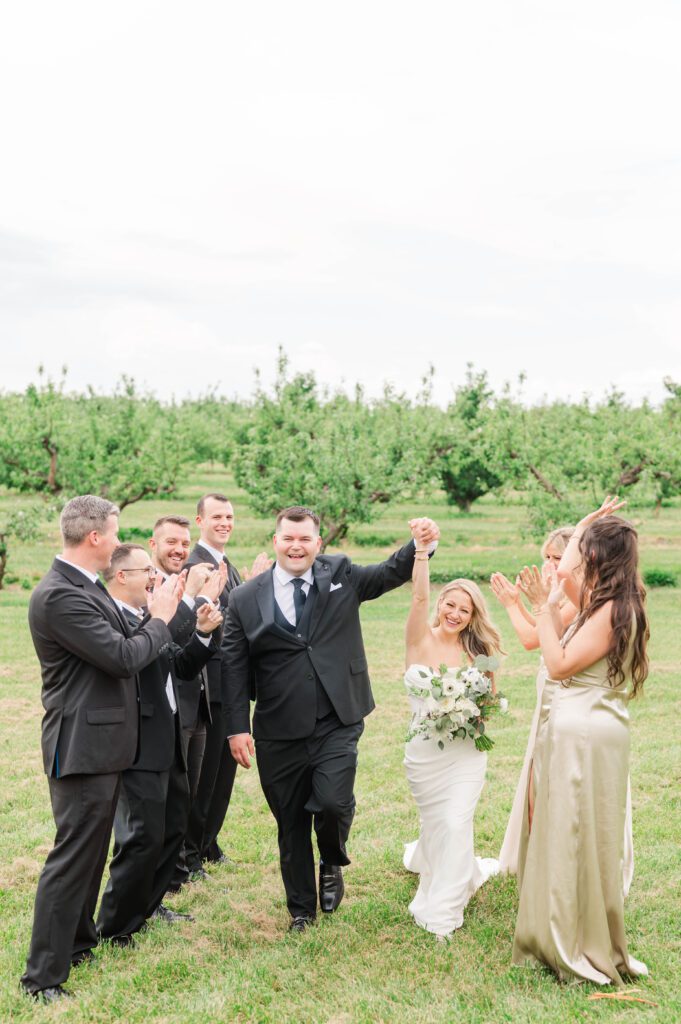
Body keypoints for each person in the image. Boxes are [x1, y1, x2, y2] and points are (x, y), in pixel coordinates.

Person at [224, 506, 440, 932]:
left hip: (337, 718)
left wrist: (420, 546)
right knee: (290, 823)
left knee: (332, 802)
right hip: (278, 727)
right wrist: (236, 726)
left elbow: (386, 574)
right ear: (275, 541)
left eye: (305, 539)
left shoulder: (339, 573)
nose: (296, 546)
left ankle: (332, 859)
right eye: (288, 538)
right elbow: (232, 664)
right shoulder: (245, 598)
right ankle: (301, 910)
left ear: (318, 544)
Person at [20, 496, 183, 1002]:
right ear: (95, 538)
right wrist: (160, 617)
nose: (117, 542)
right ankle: (42, 978)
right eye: (114, 534)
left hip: (106, 744)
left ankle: (78, 943)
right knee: (72, 858)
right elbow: (121, 657)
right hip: (83, 746)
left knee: (91, 856)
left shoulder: (85, 587)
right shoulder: (59, 596)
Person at [512, 497, 649, 985]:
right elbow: (565, 570)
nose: (574, 557)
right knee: (581, 833)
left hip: (583, 727)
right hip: (596, 724)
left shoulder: (609, 608)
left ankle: (573, 941)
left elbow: (559, 665)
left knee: (576, 834)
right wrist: (588, 524)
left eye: (585, 548)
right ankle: (566, 929)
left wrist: (544, 616)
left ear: (600, 558)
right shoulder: (616, 597)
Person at [491, 528, 634, 888]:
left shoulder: (583, 601)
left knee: (560, 788)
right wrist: (524, 603)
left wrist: (517, 605)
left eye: (559, 557)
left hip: (570, 700)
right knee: (538, 781)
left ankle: (561, 870)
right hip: (553, 695)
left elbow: (532, 639)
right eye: (549, 557)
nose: (553, 565)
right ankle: (541, 860)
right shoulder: (570, 596)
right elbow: (538, 632)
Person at [96, 544, 223, 944]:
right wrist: (174, 609)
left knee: (172, 828)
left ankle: (146, 909)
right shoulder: (114, 618)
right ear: (122, 577)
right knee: (141, 837)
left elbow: (179, 667)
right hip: (137, 744)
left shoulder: (147, 616)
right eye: (146, 570)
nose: (155, 576)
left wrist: (202, 635)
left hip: (168, 736)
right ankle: (115, 927)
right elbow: (131, 659)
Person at [403, 521, 503, 938]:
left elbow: (494, 698)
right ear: (441, 603)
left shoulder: (481, 651)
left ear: (473, 615)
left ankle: (442, 911)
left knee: (458, 821)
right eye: (450, 604)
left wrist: (473, 711)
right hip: (425, 753)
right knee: (437, 822)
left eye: (464, 609)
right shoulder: (418, 639)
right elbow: (420, 594)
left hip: (465, 754)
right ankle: (437, 862)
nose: (454, 613)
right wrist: (422, 551)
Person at [183, 493, 270, 877]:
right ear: (199, 520)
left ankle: (208, 841)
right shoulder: (194, 566)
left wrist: (248, 587)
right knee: (204, 778)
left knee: (222, 776)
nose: (225, 523)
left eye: (230, 516)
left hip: (231, 683)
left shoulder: (225, 564)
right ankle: (190, 853)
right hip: (207, 682)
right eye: (216, 516)